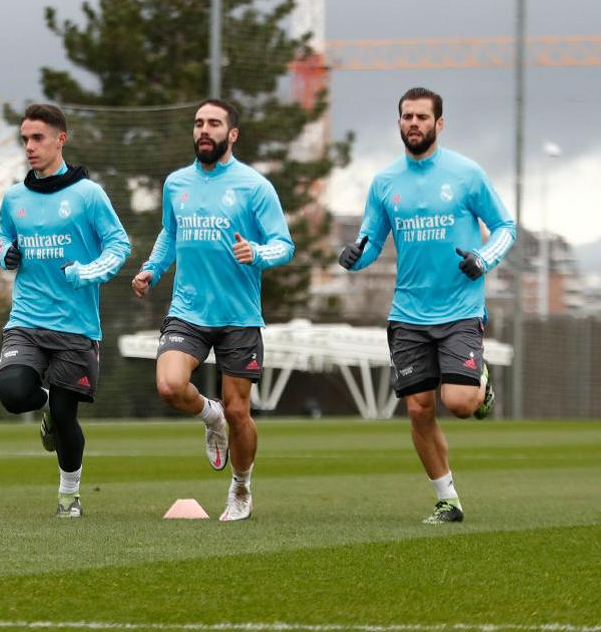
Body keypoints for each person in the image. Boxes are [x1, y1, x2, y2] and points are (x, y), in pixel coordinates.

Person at [338, 87, 515, 525]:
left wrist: (484, 258)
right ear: (398, 122)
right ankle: (447, 499)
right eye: (406, 116)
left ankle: (481, 384)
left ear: (439, 123)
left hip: (459, 309)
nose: (413, 123)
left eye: (421, 117)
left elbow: (505, 227)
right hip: (407, 314)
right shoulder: (384, 183)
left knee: (458, 402)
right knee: (418, 407)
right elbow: (371, 241)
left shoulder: (467, 174)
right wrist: (354, 258)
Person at [132, 99, 294, 522]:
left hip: (239, 317)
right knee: (169, 386)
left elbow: (284, 245)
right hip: (188, 310)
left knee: (241, 412)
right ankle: (210, 415)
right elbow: (170, 232)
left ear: (232, 134)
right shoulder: (176, 183)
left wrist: (256, 252)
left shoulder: (254, 186)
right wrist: (152, 268)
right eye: (199, 123)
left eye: (214, 123)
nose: (205, 130)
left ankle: (240, 488)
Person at [0, 103, 130, 518]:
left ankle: (69, 495)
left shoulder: (88, 194)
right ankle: (46, 400)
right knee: (13, 394)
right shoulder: (14, 198)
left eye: (37, 138)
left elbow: (119, 246)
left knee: (65, 417)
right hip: (27, 320)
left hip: (76, 325)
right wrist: (7, 254)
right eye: (24, 140)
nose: (30, 147)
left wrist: (87, 272)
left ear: (60, 140)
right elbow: (2, 239)